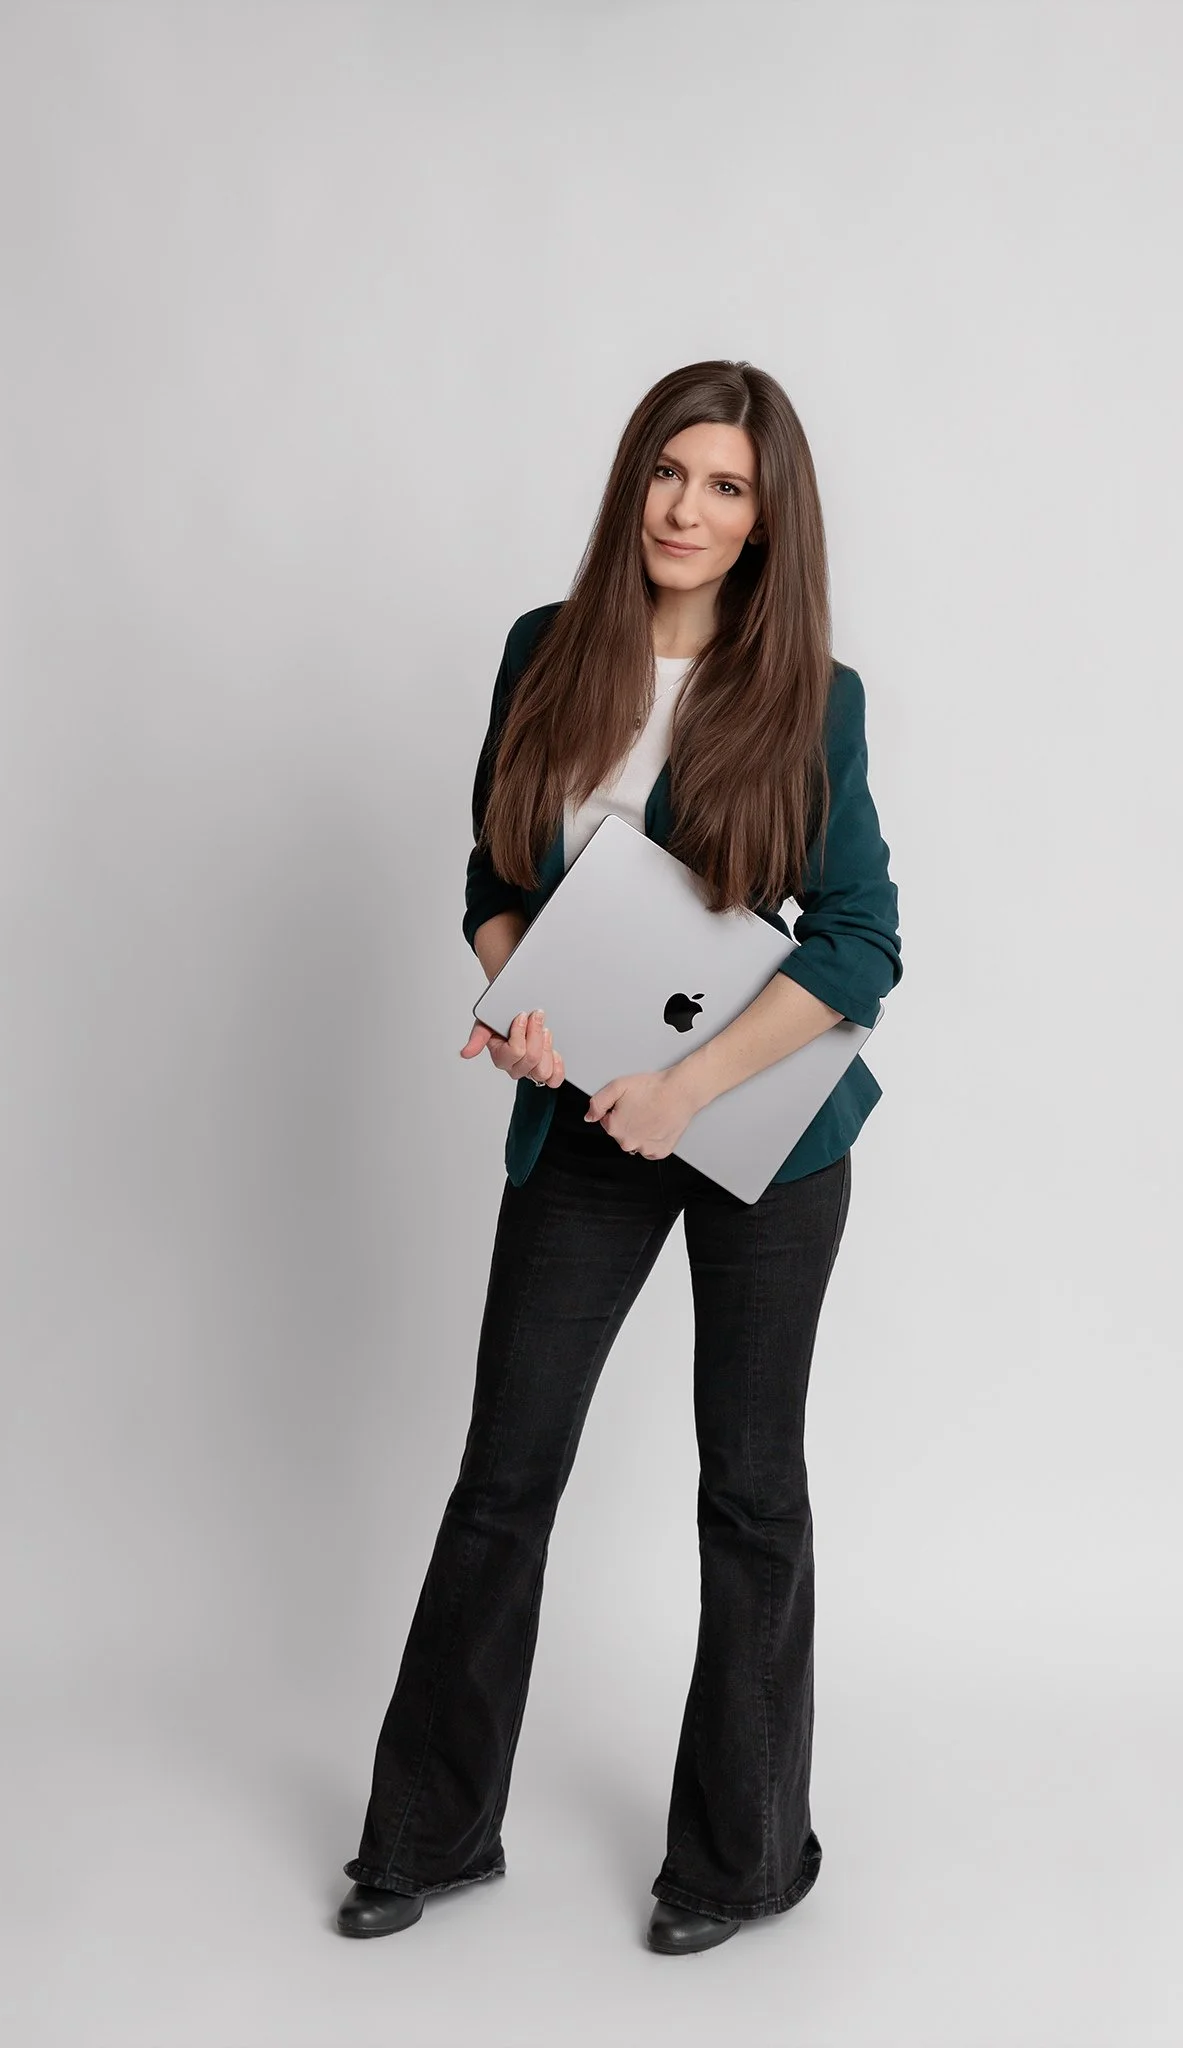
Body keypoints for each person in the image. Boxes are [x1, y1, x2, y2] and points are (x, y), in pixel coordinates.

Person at [336, 359, 903, 1955]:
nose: (689, 508)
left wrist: (687, 1083)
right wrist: (523, 1008)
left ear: (764, 520)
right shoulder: (546, 652)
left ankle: (741, 1858)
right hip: (585, 1121)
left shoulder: (813, 695)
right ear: (631, 481)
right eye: (671, 471)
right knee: (504, 1478)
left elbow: (860, 945)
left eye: (728, 486)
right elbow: (491, 875)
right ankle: (429, 1834)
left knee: (750, 1494)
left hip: (767, 1143)